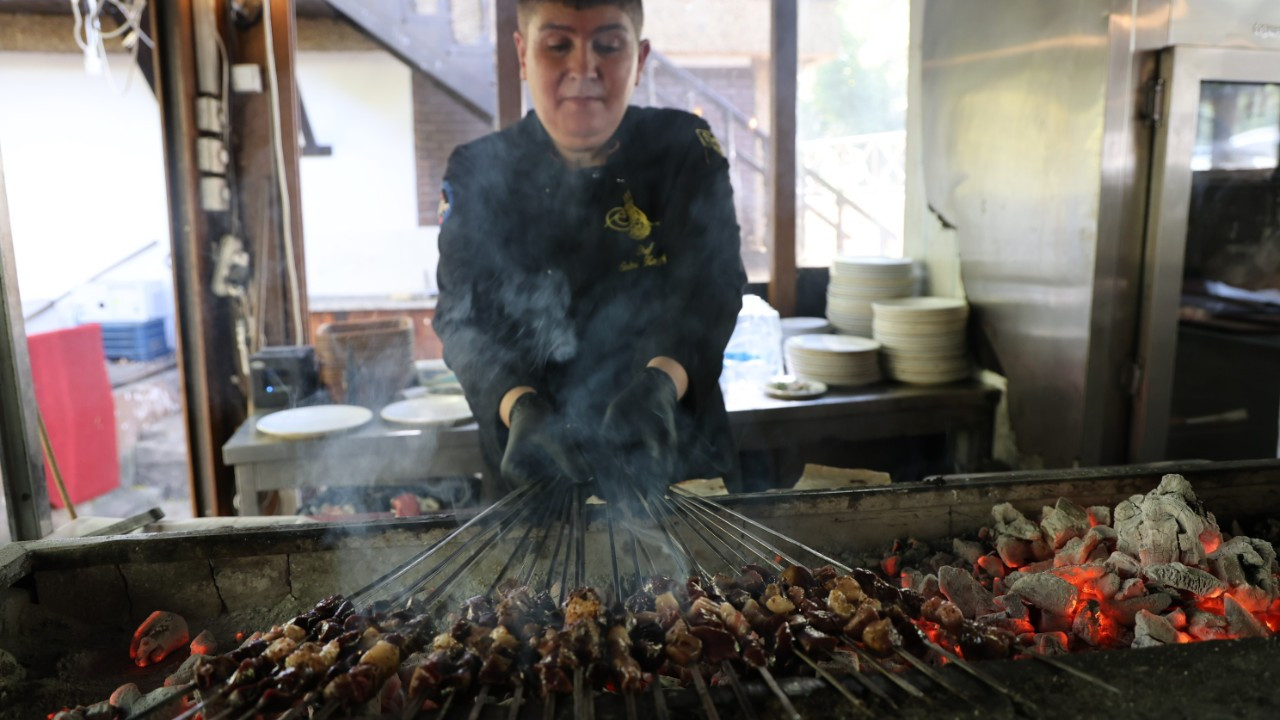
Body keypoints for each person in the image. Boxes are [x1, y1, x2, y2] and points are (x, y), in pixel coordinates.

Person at [433, 0, 746, 501]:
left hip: (678, 465)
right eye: (558, 46)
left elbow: (714, 287)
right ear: (522, 54)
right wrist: (518, 405)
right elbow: (460, 319)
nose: (584, 68)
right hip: (533, 477)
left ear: (640, 59)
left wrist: (662, 384)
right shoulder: (476, 170)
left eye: (608, 45)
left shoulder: (686, 148)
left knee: (721, 585)